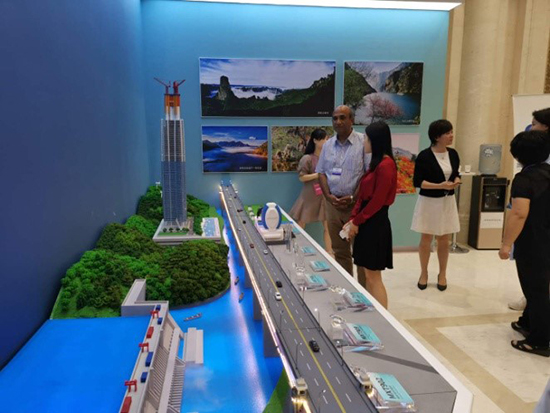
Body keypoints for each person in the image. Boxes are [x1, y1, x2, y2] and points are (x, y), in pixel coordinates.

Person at [498, 130, 550, 357]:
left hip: (533, 242)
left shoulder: (524, 179)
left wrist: (506, 244)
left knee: (535, 289)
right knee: (539, 286)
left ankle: (539, 341)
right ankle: (527, 322)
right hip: (546, 237)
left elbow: (519, 213)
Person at [344, 121, 397, 308]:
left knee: (374, 276)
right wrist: (353, 219)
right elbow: (363, 196)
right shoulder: (376, 164)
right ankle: (373, 310)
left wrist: (357, 221)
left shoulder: (386, 165)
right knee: (368, 274)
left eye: (366, 138)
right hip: (367, 222)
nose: (364, 142)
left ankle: (383, 316)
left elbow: (377, 201)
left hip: (376, 224)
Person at [316, 105, 367, 284]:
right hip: (333, 206)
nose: (338, 121)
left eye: (342, 118)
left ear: (352, 120)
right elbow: (321, 173)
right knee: (340, 251)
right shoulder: (328, 145)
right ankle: (347, 288)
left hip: (356, 206)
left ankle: (363, 292)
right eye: (335, 118)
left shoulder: (363, 142)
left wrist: (353, 197)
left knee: (360, 253)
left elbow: (368, 175)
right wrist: (328, 196)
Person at [411, 119, 461, 291]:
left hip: (447, 201)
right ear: (437, 137)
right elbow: (418, 182)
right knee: (426, 238)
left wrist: (456, 180)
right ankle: (423, 273)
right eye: (447, 133)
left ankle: (442, 274)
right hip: (429, 202)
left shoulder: (453, 154)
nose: (451, 135)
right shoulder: (424, 156)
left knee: (444, 239)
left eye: (451, 132)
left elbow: (456, 173)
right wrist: (440, 186)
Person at [508, 107, 550, 311]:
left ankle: (538, 321)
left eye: (534, 124)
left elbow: (519, 213)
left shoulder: (528, 176)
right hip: (537, 223)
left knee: (536, 277)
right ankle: (531, 311)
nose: (531, 128)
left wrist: (505, 243)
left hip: (537, 226)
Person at [290, 128, 332, 253]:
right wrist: (318, 175)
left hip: (324, 195)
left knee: (328, 226)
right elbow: (302, 177)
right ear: (315, 140)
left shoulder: (328, 158)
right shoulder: (307, 158)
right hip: (310, 196)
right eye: (324, 139)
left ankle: (329, 253)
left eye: (327, 139)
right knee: (301, 223)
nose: (326, 141)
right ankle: (294, 249)